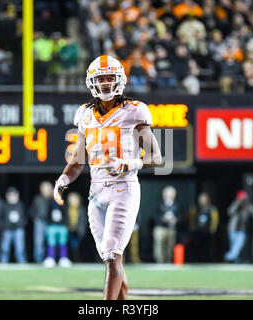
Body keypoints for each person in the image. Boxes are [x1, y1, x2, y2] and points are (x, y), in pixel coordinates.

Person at [53, 55, 163, 300]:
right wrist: (63, 179)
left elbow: (156, 156)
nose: (104, 83)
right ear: (91, 82)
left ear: (120, 80)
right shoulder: (84, 114)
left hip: (123, 189)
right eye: (100, 79)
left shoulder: (134, 111)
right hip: (96, 193)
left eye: (109, 78)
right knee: (110, 260)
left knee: (113, 255)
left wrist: (129, 164)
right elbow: (78, 157)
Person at [224, 190, 253, 263]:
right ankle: (234, 259)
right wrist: (237, 203)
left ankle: (229, 256)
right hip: (232, 229)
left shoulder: (248, 206)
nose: (242, 200)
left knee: (238, 245)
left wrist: (247, 205)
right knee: (234, 246)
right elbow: (229, 212)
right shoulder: (236, 206)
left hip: (242, 230)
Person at [187, 192, 219, 262]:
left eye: (203, 199)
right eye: (201, 199)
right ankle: (197, 260)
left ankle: (207, 260)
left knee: (207, 247)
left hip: (207, 232)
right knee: (197, 246)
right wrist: (193, 228)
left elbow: (215, 220)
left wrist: (212, 229)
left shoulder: (212, 208)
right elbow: (191, 219)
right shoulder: (195, 208)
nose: (202, 200)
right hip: (198, 231)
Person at [0, 187, 27, 263]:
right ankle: (3, 263)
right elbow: (0, 218)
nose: (12, 197)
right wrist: (4, 226)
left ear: (17, 195)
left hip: (18, 229)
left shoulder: (21, 205)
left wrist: (21, 224)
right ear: (7, 196)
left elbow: (25, 217)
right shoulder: (4, 206)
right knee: (5, 248)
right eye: (10, 195)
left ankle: (22, 264)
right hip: (7, 230)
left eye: (14, 195)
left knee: (20, 249)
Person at [153, 185, 180, 264]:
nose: (168, 196)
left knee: (170, 245)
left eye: (170, 194)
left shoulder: (177, 205)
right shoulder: (159, 204)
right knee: (159, 244)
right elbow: (154, 215)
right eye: (167, 194)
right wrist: (162, 218)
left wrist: (175, 220)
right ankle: (159, 261)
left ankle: (168, 261)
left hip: (171, 228)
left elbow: (180, 216)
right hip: (160, 227)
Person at [42, 200, 72, 268]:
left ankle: (63, 258)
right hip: (52, 226)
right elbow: (47, 215)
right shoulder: (49, 203)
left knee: (63, 241)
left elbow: (66, 215)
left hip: (62, 226)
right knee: (51, 240)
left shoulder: (64, 204)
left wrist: (66, 224)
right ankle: (50, 257)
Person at [29, 181, 53, 263]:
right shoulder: (37, 199)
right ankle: (39, 260)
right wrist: (35, 217)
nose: (46, 190)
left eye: (48, 188)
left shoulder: (54, 198)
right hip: (40, 222)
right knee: (39, 242)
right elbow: (31, 211)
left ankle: (51, 259)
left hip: (51, 223)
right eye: (44, 188)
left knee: (51, 241)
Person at [66, 192, 87, 262]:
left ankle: (77, 260)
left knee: (77, 246)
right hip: (69, 231)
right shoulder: (67, 209)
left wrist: (80, 229)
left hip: (78, 231)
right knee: (70, 245)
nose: (73, 201)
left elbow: (83, 222)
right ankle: (70, 259)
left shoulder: (81, 209)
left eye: (74, 199)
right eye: (71, 199)